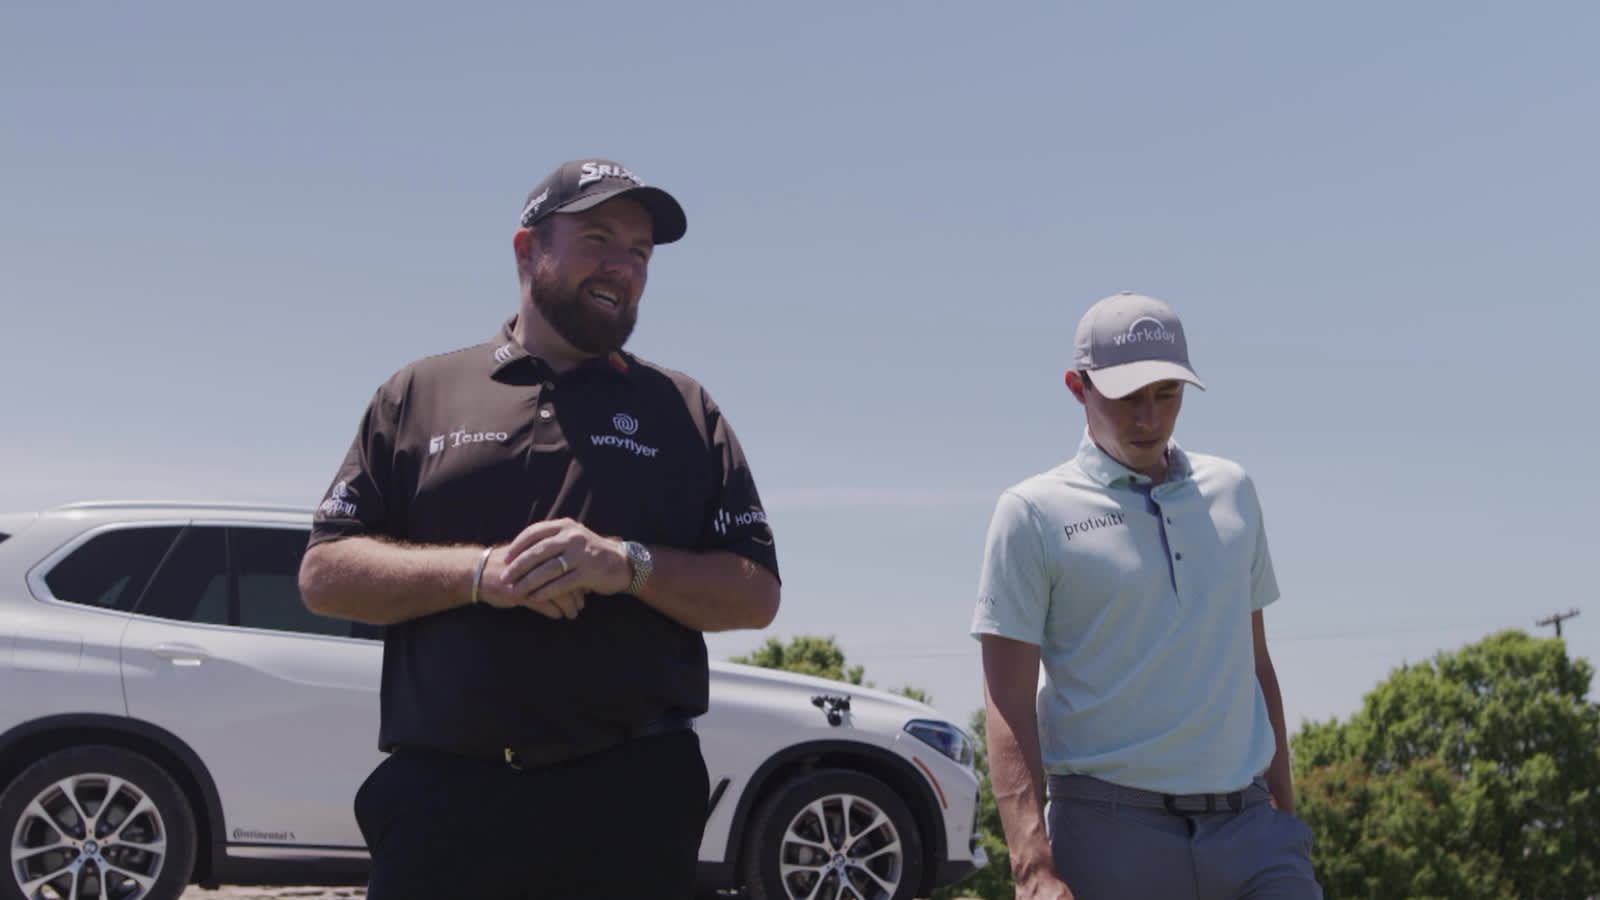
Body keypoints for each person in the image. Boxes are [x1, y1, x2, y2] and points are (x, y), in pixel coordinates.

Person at [298, 158, 781, 900]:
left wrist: (627, 563)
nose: (621, 266)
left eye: (640, 253)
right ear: (528, 250)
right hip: (446, 800)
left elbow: (755, 594)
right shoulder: (421, 393)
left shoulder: (684, 410)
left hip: (630, 804)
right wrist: (481, 576)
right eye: (597, 239)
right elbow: (325, 574)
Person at [970, 291, 1320, 899]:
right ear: (1077, 388)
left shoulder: (1233, 490)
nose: (1149, 418)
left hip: (1253, 833)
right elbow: (1007, 700)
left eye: (1167, 394)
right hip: (1107, 838)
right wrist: (1033, 868)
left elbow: (1255, 662)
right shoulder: (1030, 513)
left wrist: (1286, 819)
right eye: (1127, 397)